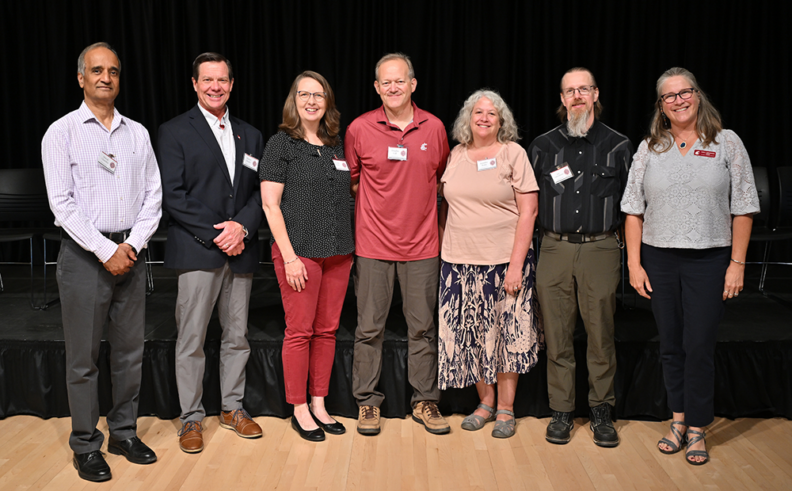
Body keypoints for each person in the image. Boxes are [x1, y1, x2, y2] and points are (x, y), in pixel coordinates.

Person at [621, 67, 759, 465]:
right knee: (670, 344)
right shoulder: (650, 147)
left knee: (698, 345)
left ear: (698, 96)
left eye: (686, 92)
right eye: (670, 96)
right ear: (661, 106)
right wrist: (634, 263)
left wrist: (737, 264)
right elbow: (632, 210)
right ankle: (678, 419)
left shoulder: (727, 142)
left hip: (710, 259)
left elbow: (745, 205)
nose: (679, 100)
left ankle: (698, 426)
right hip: (659, 259)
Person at [41, 42, 161, 482]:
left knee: (130, 354)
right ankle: (86, 444)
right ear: (81, 78)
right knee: (83, 359)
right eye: (96, 70)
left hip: (131, 254)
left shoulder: (138, 133)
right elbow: (61, 204)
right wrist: (105, 249)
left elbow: (154, 196)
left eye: (112, 70)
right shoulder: (62, 132)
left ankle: (124, 434)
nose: (105, 77)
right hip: (83, 258)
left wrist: (131, 245)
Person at [158, 52, 264, 453]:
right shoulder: (173, 132)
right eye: (208, 80)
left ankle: (232, 408)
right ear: (194, 84)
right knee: (192, 339)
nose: (215, 87)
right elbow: (174, 195)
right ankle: (191, 418)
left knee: (238, 336)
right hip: (199, 250)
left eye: (222, 80)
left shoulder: (250, 135)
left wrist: (242, 227)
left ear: (232, 84)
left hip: (241, 249)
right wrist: (219, 234)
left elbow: (259, 193)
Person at [527, 67, 633, 447]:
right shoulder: (542, 147)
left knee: (600, 335)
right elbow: (527, 205)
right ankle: (562, 411)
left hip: (601, 247)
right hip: (553, 247)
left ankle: (601, 410)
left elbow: (634, 206)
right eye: (569, 91)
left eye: (583, 89)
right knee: (556, 335)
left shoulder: (619, 146)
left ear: (595, 94)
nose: (576, 96)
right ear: (562, 99)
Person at [346, 52, 450, 435]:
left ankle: (425, 401)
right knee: (369, 328)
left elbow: (441, 182)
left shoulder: (435, 128)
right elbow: (352, 182)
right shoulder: (359, 128)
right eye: (385, 82)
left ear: (413, 85)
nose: (393, 87)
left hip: (423, 247)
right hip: (372, 247)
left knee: (422, 329)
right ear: (377, 87)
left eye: (399, 81)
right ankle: (367, 403)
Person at [437, 89, 544, 438]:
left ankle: (505, 408)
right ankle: (484, 403)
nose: (483, 118)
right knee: (473, 335)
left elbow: (528, 211)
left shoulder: (513, 153)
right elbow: (445, 207)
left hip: (503, 262)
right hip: (458, 263)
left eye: (491, 113)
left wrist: (516, 266)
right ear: (467, 119)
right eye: (477, 112)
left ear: (502, 121)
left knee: (505, 336)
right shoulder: (455, 155)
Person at [260, 71, 354, 442]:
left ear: (328, 101)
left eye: (319, 95)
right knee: (300, 332)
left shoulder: (335, 144)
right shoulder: (281, 144)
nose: (312, 101)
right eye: (304, 94)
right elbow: (270, 204)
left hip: (339, 253)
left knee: (327, 331)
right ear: (293, 100)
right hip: (300, 254)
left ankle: (319, 403)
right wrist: (290, 257)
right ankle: (299, 407)